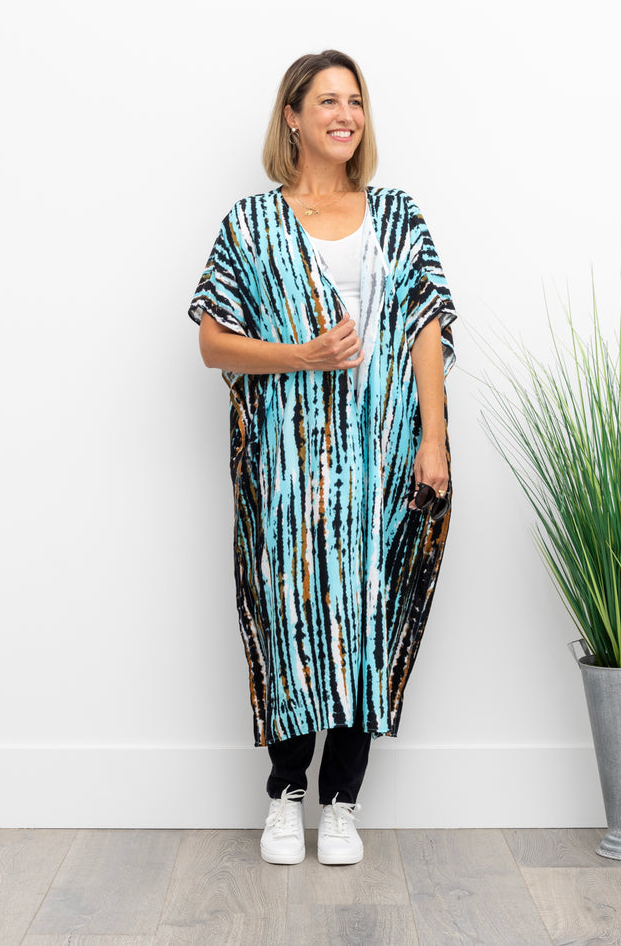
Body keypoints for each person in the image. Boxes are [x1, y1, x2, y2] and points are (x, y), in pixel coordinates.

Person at [188, 50, 457, 866]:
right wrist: (301, 354)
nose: (346, 114)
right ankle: (283, 794)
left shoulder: (398, 215)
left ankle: (342, 800)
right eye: (328, 101)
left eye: (356, 101)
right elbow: (210, 342)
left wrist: (433, 441)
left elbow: (425, 329)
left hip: (383, 462)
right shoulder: (251, 224)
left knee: (367, 621)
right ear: (293, 118)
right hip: (289, 467)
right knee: (291, 617)